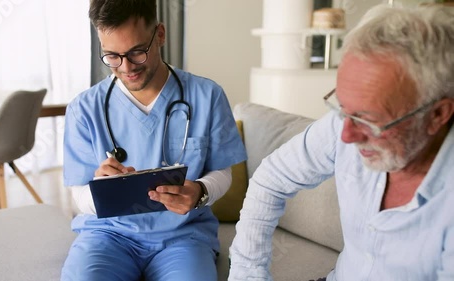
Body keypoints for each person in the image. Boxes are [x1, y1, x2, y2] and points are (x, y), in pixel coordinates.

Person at [229, 4, 454, 281]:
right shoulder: (345, 124)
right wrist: (247, 275)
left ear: (437, 115)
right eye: (343, 108)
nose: (346, 136)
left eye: (370, 121)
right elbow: (270, 179)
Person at [60, 0, 247, 280]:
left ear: (160, 34)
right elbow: (78, 195)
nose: (126, 68)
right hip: (108, 235)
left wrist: (200, 192)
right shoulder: (84, 109)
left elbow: (222, 172)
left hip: (183, 237)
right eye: (112, 56)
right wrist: (100, 191)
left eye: (137, 52)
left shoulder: (207, 96)